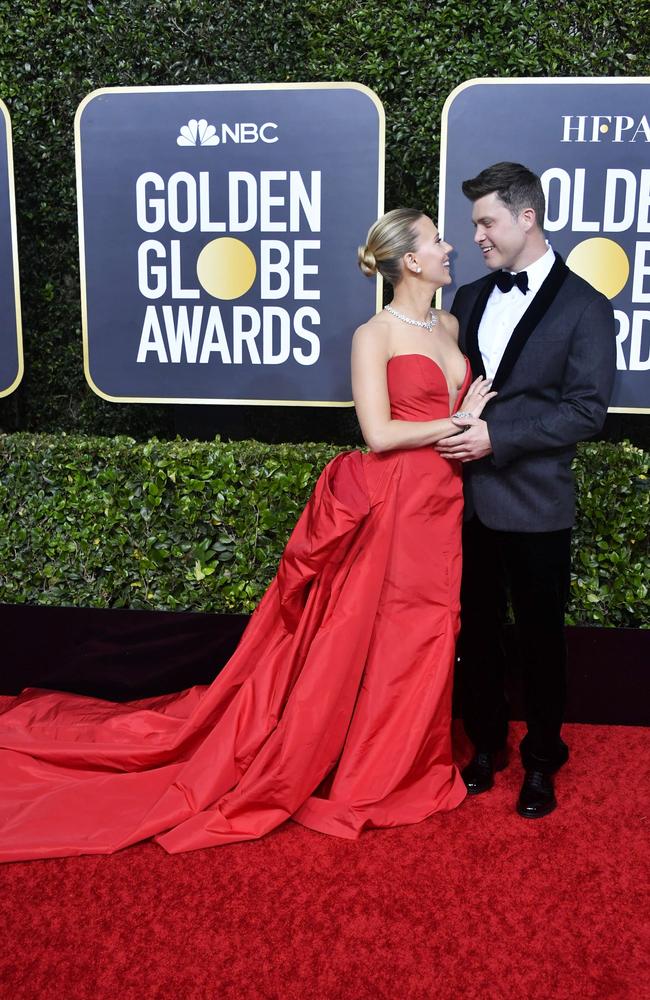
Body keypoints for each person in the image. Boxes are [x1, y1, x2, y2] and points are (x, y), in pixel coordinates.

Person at [0, 209, 494, 862]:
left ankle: (406, 761)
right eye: (436, 238)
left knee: (428, 634)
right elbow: (378, 436)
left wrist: (468, 433)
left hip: (441, 503)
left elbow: (449, 426)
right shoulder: (374, 335)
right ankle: (369, 771)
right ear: (409, 259)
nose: (449, 245)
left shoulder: (451, 324)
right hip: (393, 505)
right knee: (375, 636)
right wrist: (457, 421)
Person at [436, 162, 616, 818]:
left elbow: (586, 412)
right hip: (469, 505)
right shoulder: (470, 300)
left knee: (541, 640)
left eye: (486, 221)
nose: (477, 234)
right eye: (475, 221)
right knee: (477, 634)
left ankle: (543, 760)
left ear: (526, 217)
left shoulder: (587, 308)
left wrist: (496, 439)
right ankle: (487, 746)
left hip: (537, 504)